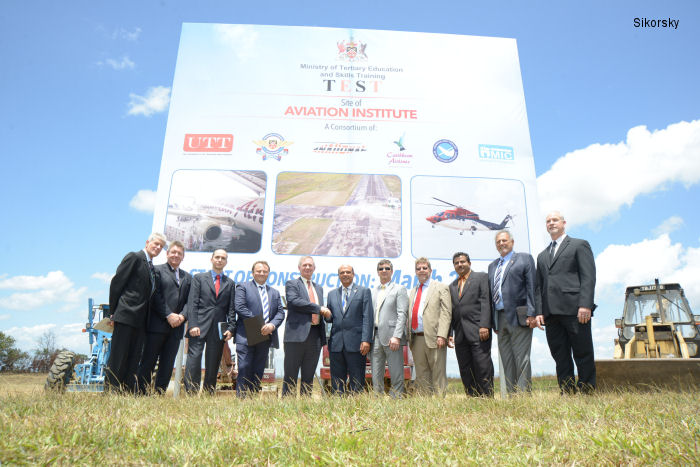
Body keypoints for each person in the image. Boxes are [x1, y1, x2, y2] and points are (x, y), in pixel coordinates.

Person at [534, 211, 597, 393]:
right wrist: (539, 312)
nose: (551, 223)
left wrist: (585, 304)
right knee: (560, 355)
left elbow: (588, 277)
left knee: (582, 352)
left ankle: (587, 390)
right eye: (548, 221)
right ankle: (567, 390)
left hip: (575, 309)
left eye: (555, 220)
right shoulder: (542, 256)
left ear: (564, 223)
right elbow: (539, 287)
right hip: (551, 314)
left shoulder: (579, 245)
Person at [106, 232, 166, 393]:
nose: (158, 247)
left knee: (134, 357)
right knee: (119, 355)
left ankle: (127, 390)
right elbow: (117, 284)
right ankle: (112, 390)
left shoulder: (152, 268)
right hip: (126, 315)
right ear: (147, 242)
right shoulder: (134, 257)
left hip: (141, 320)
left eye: (161, 246)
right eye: (156, 244)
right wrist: (113, 313)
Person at [137, 240, 192, 394]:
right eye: (173, 252)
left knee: (167, 364)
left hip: (176, 328)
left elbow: (190, 301)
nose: (176, 255)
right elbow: (155, 296)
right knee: (148, 361)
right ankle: (141, 393)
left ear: (183, 257)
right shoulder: (156, 270)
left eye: (179, 253)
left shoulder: (187, 277)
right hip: (157, 326)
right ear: (167, 254)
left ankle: (159, 394)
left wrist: (182, 317)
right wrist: (168, 314)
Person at [488, 231, 537, 394]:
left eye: (504, 240)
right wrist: (492, 322)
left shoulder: (524, 258)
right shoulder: (493, 266)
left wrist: (532, 313)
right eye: (498, 242)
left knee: (521, 359)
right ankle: (511, 396)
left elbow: (532, 287)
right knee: (506, 360)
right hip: (500, 318)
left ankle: (523, 397)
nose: (501, 243)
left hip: (520, 316)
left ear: (512, 242)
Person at [184, 249, 235, 394]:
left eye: (223, 258)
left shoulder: (230, 283)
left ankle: (208, 392)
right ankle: (191, 393)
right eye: (217, 257)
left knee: (213, 363)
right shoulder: (199, 278)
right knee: (193, 360)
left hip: (218, 329)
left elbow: (231, 309)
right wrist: (192, 324)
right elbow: (192, 303)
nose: (219, 260)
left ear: (226, 262)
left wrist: (231, 328)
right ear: (211, 259)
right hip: (198, 326)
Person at [234, 260, 285, 397]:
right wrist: (260, 324)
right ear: (252, 273)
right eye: (258, 271)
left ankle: (252, 397)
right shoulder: (242, 287)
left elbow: (280, 313)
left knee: (258, 368)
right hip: (246, 334)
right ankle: (241, 398)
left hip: (265, 335)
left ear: (268, 273)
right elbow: (240, 307)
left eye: (265, 271)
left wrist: (272, 325)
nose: (261, 273)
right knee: (244, 367)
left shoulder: (274, 292)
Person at [282, 256, 331, 396]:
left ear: (314, 268)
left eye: (310, 265)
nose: (308, 267)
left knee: (308, 375)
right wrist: (319, 308)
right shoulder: (292, 284)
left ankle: (305, 405)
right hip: (296, 336)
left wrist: (326, 314)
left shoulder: (319, 288)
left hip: (315, 335)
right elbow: (294, 301)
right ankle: (287, 407)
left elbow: (321, 310)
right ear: (299, 268)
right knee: (290, 375)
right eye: (305, 265)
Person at [449, 252, 493, 396]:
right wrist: (450, 334)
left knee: (483, 367)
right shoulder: (452, 286)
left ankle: (487, 398)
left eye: (462, 262)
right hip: (460, 335)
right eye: (456, 263)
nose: (460, 265)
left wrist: (485, 325)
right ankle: (472, 398)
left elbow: (486, 302)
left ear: (469, 263)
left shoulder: (481, 277)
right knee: (465, 368)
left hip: (479, 331)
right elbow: (451, 311)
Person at [326, 264, 373, 394]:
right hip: (336, 344)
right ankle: (338, 408)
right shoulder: (332, 294)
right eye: (342, 272)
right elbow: (330, 319)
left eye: (348, 272)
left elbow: (367, 317)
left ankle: (356, 408)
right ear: (338, 275)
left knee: (357, 380)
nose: (345, 274)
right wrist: (325, 314)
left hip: (357, 344)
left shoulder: (364, 291)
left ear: (353, 274)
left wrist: (366, 340)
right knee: (337, 381)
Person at [407, 257, 451, 396]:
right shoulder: (413, 291)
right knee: (421, 374)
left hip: (435, 338)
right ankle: (426, 406)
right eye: (418, 268)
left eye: (424, 268)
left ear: (430, 270)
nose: (421, 271)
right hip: (417, 338)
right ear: (415, 272)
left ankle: (440, 406)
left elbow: (446, 312)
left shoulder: (441, 287)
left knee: (438, 373)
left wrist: (442, 335)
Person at [370, 259, 409, 397]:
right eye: (381, 269)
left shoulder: (399, 289)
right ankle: (377, 399)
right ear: (378, 272)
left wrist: (397, 336)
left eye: (387, 268)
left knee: (396, 372)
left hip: (392, 338)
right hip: (375, 337)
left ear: (392, 271)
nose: (384, 271)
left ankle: (397, 400)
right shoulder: (373, 291)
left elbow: (402, 314)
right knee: (376, 373)